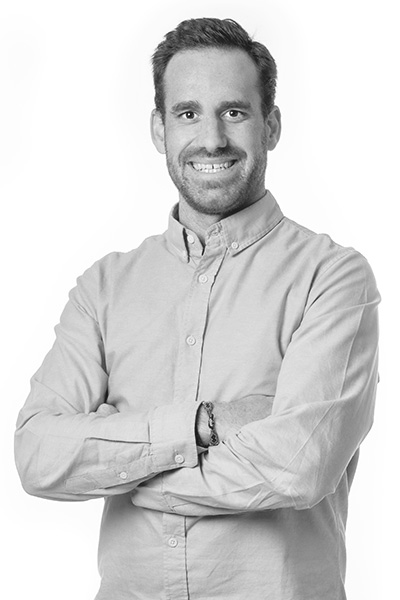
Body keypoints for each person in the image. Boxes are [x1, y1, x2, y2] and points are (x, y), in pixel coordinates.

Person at [15, 17, 380, 600]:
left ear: (271, 126)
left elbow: (299, 464)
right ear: (159, 129)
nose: (211, 139)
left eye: (233, 111)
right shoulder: (103, 287)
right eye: (187, 113)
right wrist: (205, 424)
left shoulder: (332, 277)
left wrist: (129, 467)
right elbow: (38, 456)